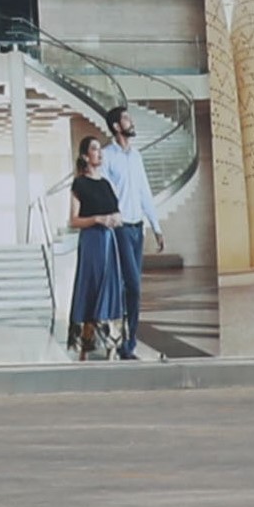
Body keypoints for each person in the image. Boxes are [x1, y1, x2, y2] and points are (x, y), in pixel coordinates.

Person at [93, 105, 158, 358]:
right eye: (127, 119)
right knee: (132, 285)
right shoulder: (108, 156)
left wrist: (157, 226)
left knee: (129, 286)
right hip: (119, 228)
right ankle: (125, 342)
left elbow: (145, 192)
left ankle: (123, 339)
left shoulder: (137, 157)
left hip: (137, 228)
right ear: (117, 127)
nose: (131, 123)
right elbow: (105, 191)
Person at [66, 133, 126, 359]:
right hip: (91, 242)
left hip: (109, 242)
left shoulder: (106, 184)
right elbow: (73, 220)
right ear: (84, 155)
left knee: (111, 287)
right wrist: (98, 219)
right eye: (94, 149)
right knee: (90, 286)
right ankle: (86, 343)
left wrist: (115, 219)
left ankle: (112, 341)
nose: (99, 153)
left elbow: (118, 212)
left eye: (100, 149)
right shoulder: (79, 184)